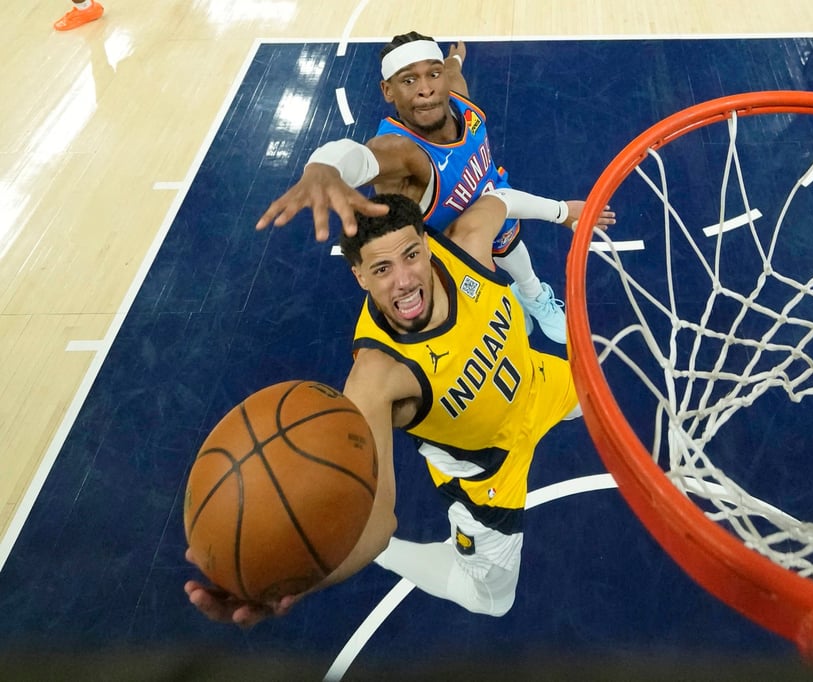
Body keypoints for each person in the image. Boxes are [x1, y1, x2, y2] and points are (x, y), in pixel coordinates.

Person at [186, 189, 614, 625]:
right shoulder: (377, 379)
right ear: (360, 277)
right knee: (492, 600)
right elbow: (375, 523)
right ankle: (399, 558)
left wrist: (565, 213)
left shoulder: (467, 245)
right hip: (487, 475)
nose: (405, 280)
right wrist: (299, 577)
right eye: (382, 268)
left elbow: (501, 199)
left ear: (427, 245)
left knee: (605, 395)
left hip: (539, 383)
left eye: (411, 255)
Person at [256, 31, 572, 344]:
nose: (425, 90)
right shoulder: (403, 152)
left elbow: (452, 68)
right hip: (451, 249)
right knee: (480, 315)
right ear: (387, 90)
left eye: (432, 74)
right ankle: (505, 305)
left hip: (495, 204)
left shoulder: (457, 94)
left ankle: (532, 295)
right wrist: (324, 166)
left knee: (512, 250)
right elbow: (361, 158)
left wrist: (456, 56)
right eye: (408, 80)